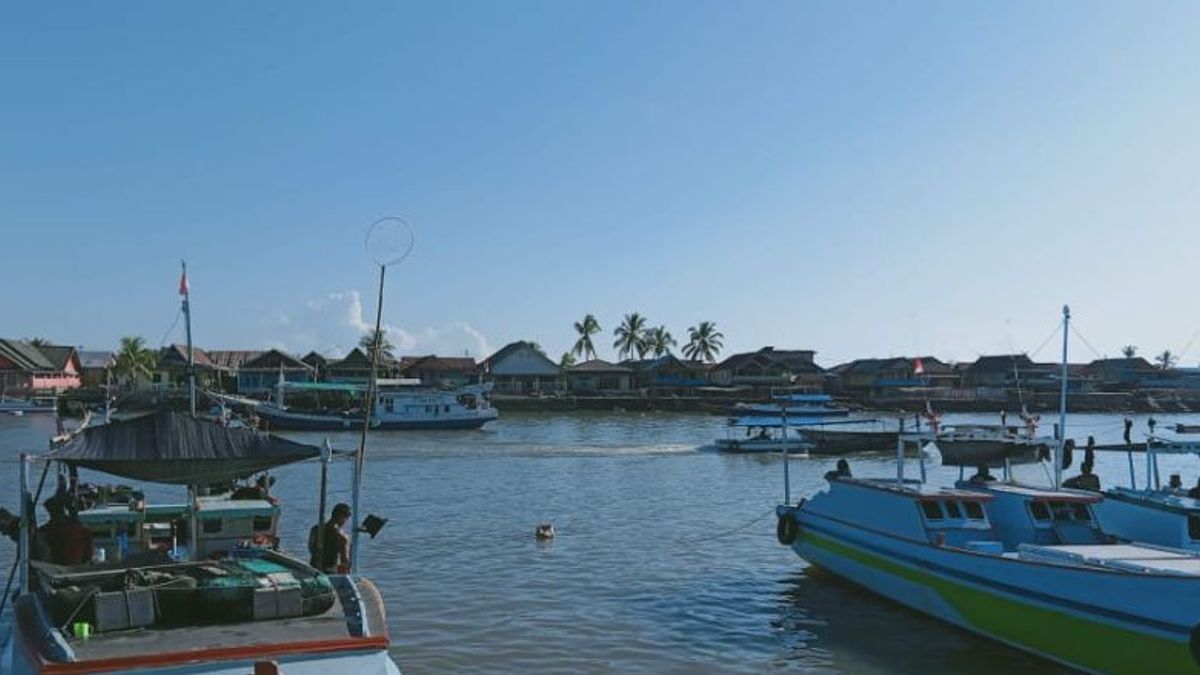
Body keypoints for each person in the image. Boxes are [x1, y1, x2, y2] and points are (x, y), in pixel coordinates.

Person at [36, 495, 93, 566]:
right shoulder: (82, 529)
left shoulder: (80, 530)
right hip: (61, 567)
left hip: (66, 567)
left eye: (57, 511)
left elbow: (88, 556)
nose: (54, 515)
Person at [309, 502, 352, 573]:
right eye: (346, 518)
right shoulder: (342, 536)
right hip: (330, 571)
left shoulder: (315, 529)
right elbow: (344, 561)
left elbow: (311, 549)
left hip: (313, 568)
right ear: (342, 517)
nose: (346, 521)